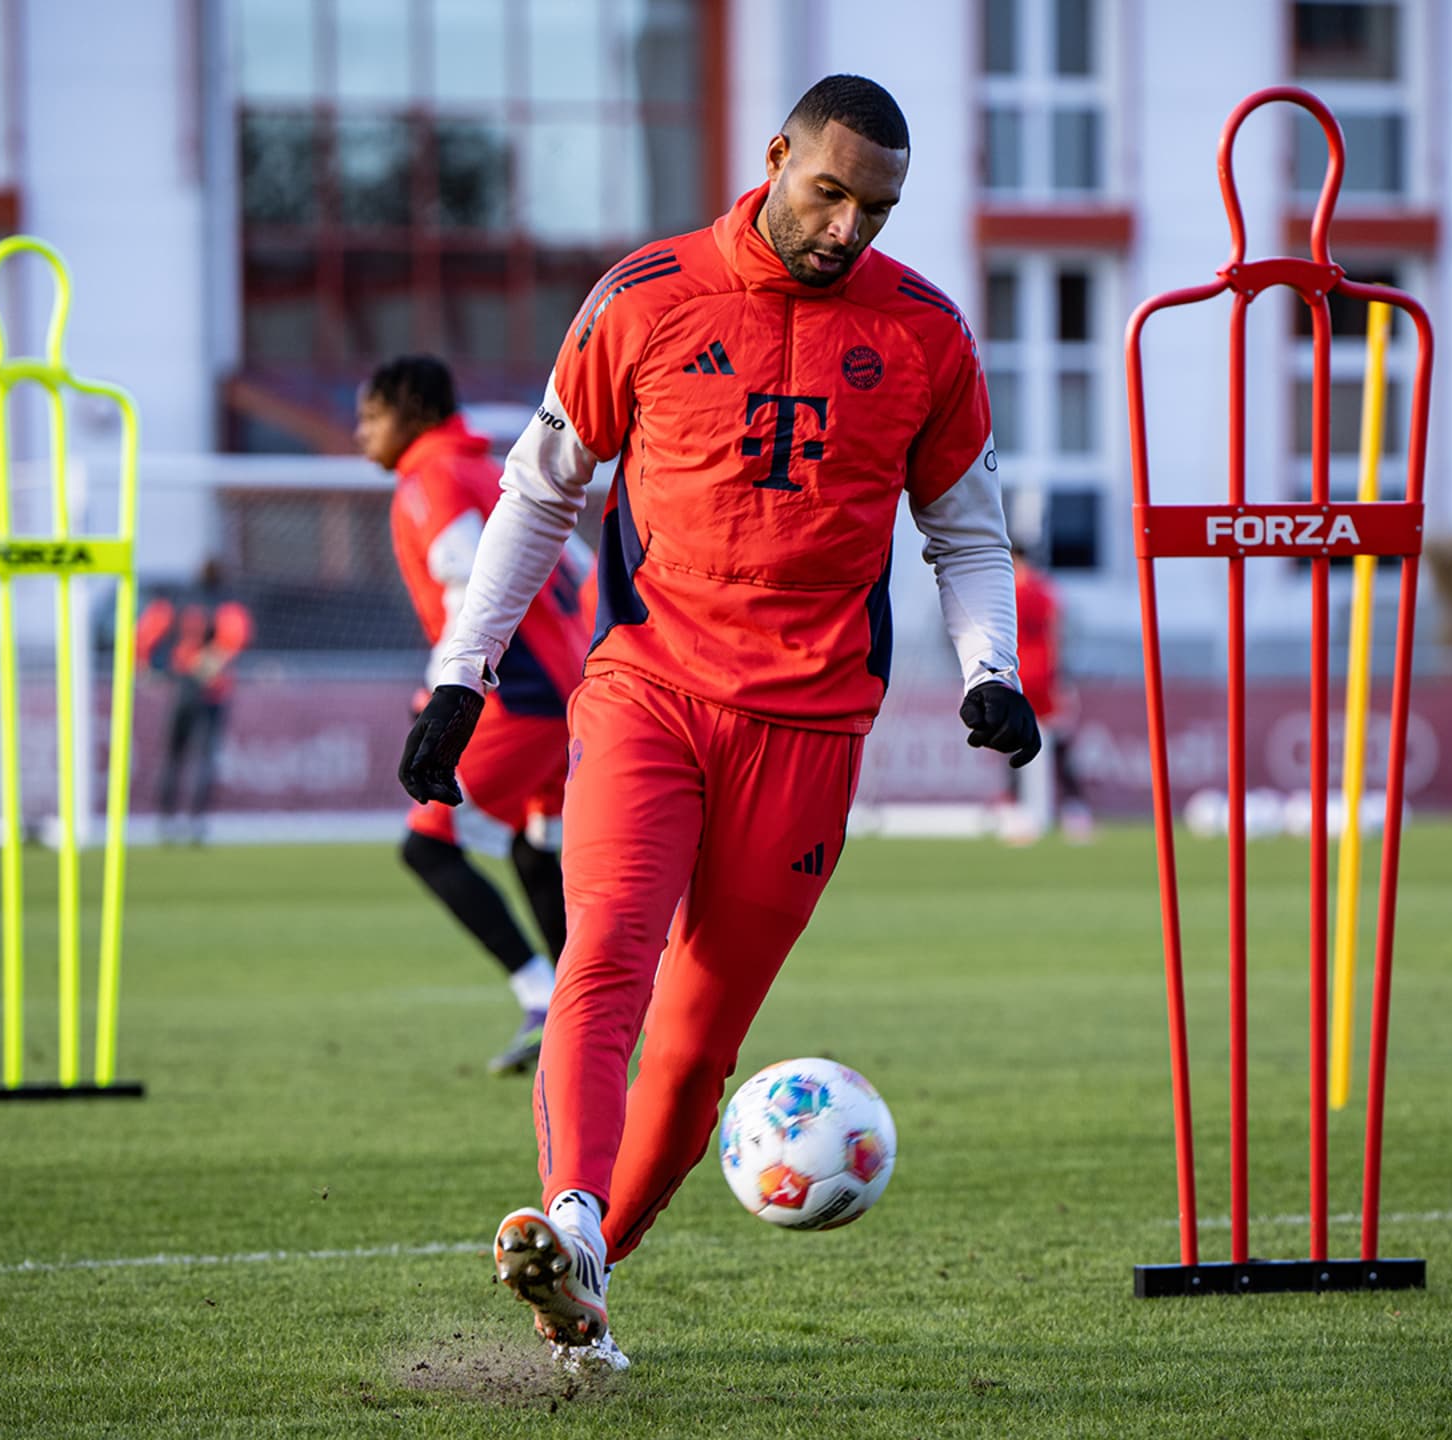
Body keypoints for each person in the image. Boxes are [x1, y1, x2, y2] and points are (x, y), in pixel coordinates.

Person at [398, 75, 1039, 1366]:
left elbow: (967, 534)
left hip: (812, 730)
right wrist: (462, 676)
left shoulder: (926, 331)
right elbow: (539, 493)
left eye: (876, 209)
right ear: (776, 155)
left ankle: (588, 1275)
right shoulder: (645, 296)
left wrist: (992, 669)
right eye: (830, 192)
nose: (849, 227)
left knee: (696, 1054)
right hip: (649, 693)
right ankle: (570, 1212)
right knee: (604, 954)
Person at [357, 354, 590, 1077]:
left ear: (415, 413)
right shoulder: (488, 471)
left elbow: (464, 582)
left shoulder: (429, 477)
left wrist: (444, 691)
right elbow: (580, 570)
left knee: (427, 846)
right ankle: (582, 1018)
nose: (362, 433)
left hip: (513, 695)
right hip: (568, 689)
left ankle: (545, 1000)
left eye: (372, 417)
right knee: (536, 849)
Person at [136, 559, 253, 843]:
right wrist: (209, 662)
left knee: (175, 756)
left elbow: (143, 634)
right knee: (202, 757)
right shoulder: (224, 604)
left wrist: (144, 668)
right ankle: (194, 822)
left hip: (183, 687)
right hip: (210, 691)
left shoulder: (178, 601)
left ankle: (167, 822)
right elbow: (235, 637)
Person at [1003, 539, 1091, 843]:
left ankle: (1018, 814)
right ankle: (1075, 812)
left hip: (1017, 677)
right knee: (1058, 747)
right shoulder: (1046, 591)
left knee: (1014, 745)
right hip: (1046, 675)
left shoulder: (1007, 592)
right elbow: (1057, 635)